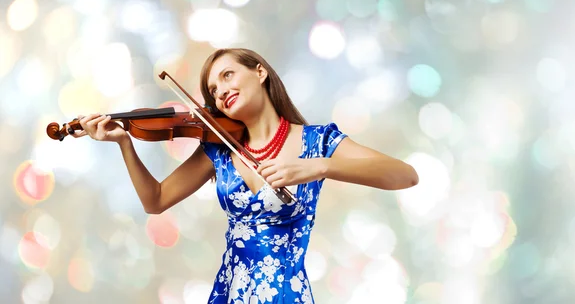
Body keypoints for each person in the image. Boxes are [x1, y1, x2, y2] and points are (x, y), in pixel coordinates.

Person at [68, 48, 419, 303]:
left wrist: (319, 166)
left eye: (227, 76)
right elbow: (155, 200)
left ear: (260, 72)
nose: (221, 92)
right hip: (230, 292)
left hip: (284, 294)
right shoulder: (219, 147)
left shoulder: (318, 142)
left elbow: (404, 175)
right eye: (214, 92)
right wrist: (123, 142)